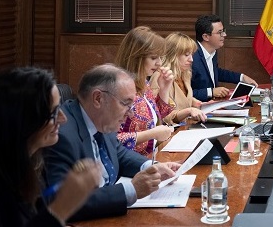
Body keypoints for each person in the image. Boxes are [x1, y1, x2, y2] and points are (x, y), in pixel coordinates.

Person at [43, 64, 180, 222]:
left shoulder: (102, 119)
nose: (130, 114)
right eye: (125, 104)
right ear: (98, 98)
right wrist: (131, 190)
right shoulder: (61, 135)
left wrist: (151, 167)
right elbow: (63, 201)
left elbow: (119, 153)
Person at [0, 67, 101, 227]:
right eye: (54, 112)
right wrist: (62, 207)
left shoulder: (32, 163)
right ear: (26, 119)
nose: (63, 119)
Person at [114, 26, 175, 156]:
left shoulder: (144, 83)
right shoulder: (118, 89)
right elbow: (111, 140)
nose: (159, 63)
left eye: (160, 58)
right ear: (136, 58)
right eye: (153, 58)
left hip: (149, 157)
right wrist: (151, 134)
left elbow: (154, 120)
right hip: (128, 163)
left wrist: (164, 90)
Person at [191, 14, 257, 102]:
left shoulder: (212, 51)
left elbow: (215, 72)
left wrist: (242, 78)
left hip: (212, 104)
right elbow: (183, 94)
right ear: (206, 37)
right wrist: (211, 92)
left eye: (223, 31)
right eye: (220, 32)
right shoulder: (191, 58)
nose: (224, 35)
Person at [160, 32, 208, 124]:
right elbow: (165, 115)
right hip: (172, 130)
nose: (191, 59)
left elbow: (182, 98)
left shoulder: (185, 74)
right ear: (173, 55)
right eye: (186, 55)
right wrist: (189, 110)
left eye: (191, 55)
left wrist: (198, 104)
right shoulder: (161, 76)